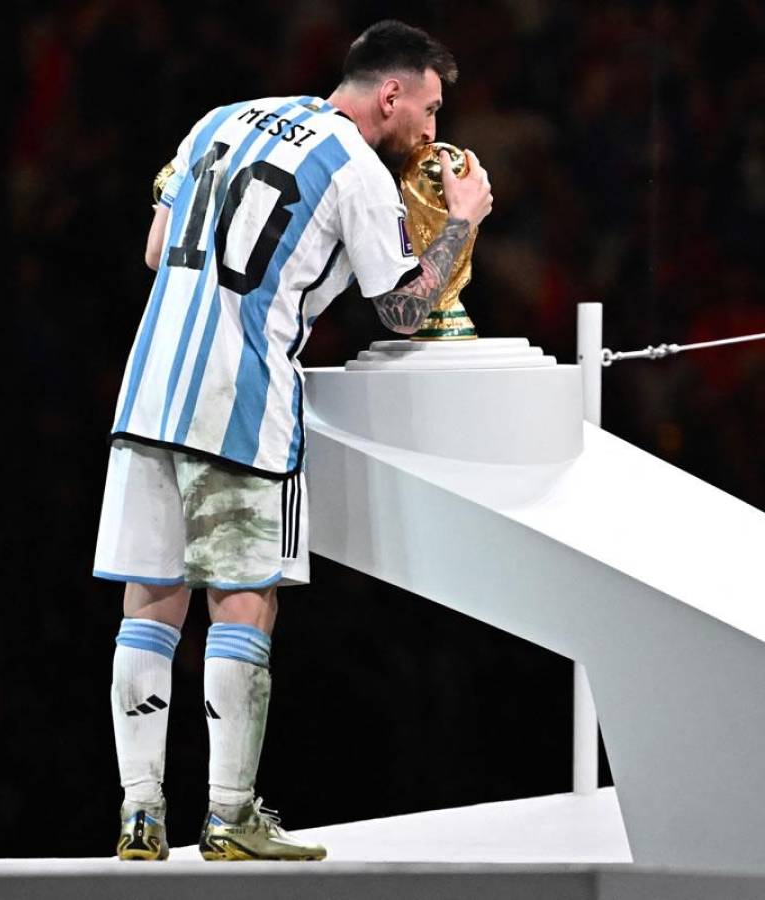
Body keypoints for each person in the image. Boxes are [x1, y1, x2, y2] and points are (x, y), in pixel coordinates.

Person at [93, 19, 493, 861]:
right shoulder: (356, 169)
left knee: (150, 597)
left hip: (148, 388)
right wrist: (461, 221)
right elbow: (403, 309)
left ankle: (139, 814)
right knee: (244, 598)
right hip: (240, 403)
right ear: (391, 93)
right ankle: (230, 817)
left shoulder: (221, 118)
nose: (431, 127)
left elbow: (156, 246)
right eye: (429, 106)